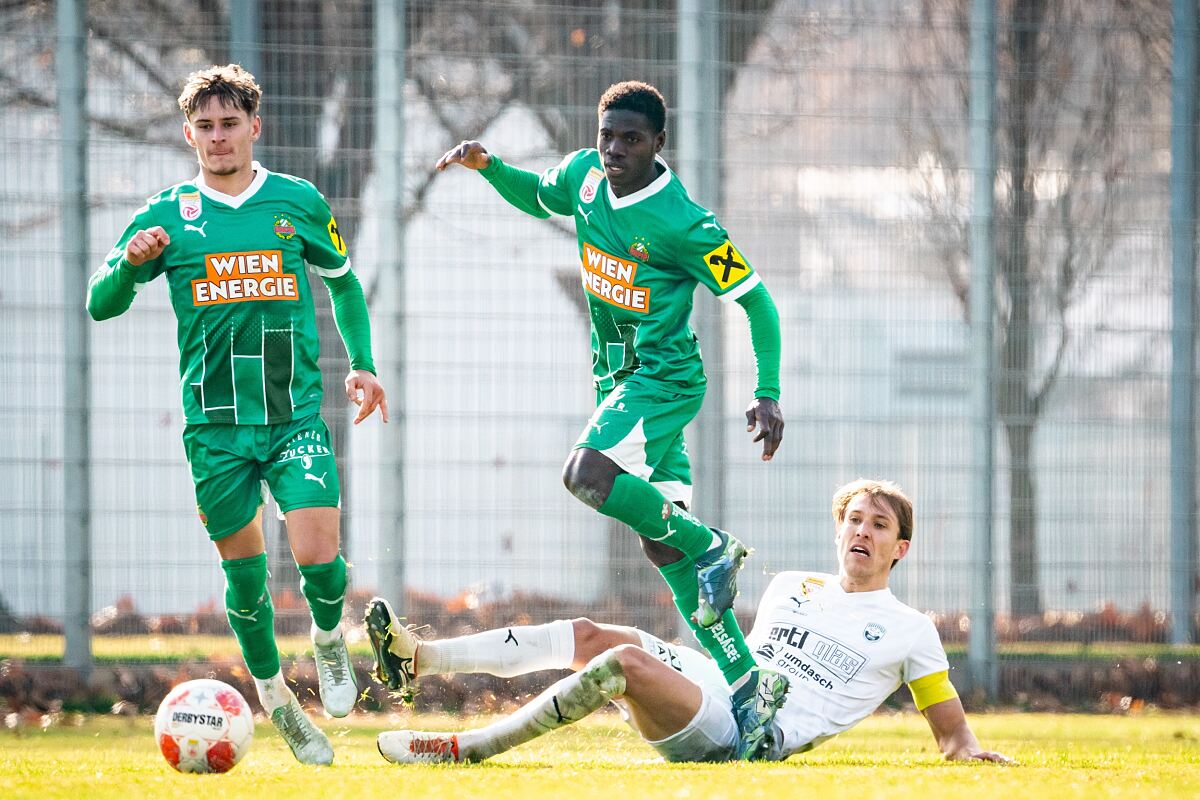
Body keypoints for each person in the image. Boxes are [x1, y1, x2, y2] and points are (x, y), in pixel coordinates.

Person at [434, 80, 787, 753]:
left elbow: (758, 303)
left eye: (631, 138)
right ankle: (750, 691)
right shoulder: (585, 178)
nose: (616, 149)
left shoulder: (684, 224)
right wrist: (488, 168)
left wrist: (767, 392)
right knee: (665, 550)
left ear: (659, 143)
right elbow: (539, 196)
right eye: (608, 135)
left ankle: (710, 543)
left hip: (663, 382)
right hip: (619, 386)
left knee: (585, 472)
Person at [86, 64, 387, 766]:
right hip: (214, 428)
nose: (219, 138)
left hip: (293, 418)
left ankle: (326, 638)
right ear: (189, 133)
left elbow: (344, 287)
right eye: (206, 127)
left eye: (230, 124)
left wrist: (364, 364)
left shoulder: (297, 203)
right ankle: (277, 698)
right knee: (247, 579)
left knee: (319, 557)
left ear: (256, 126)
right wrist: (130, 266)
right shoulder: (164, 216)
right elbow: (101, 302)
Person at [365, 479, 1013, 766]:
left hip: (753, 734)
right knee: (595, 635)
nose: (862, 532)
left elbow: (952, 737)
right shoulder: (793, 586)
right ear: (838, 529)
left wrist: (971, 754)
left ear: (901, 549)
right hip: (722, 689)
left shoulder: (911, 630)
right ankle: (419, 660)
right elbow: (734, 653)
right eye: (854, 520)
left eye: (880, 526)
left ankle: (457, 750)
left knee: (623, 667)